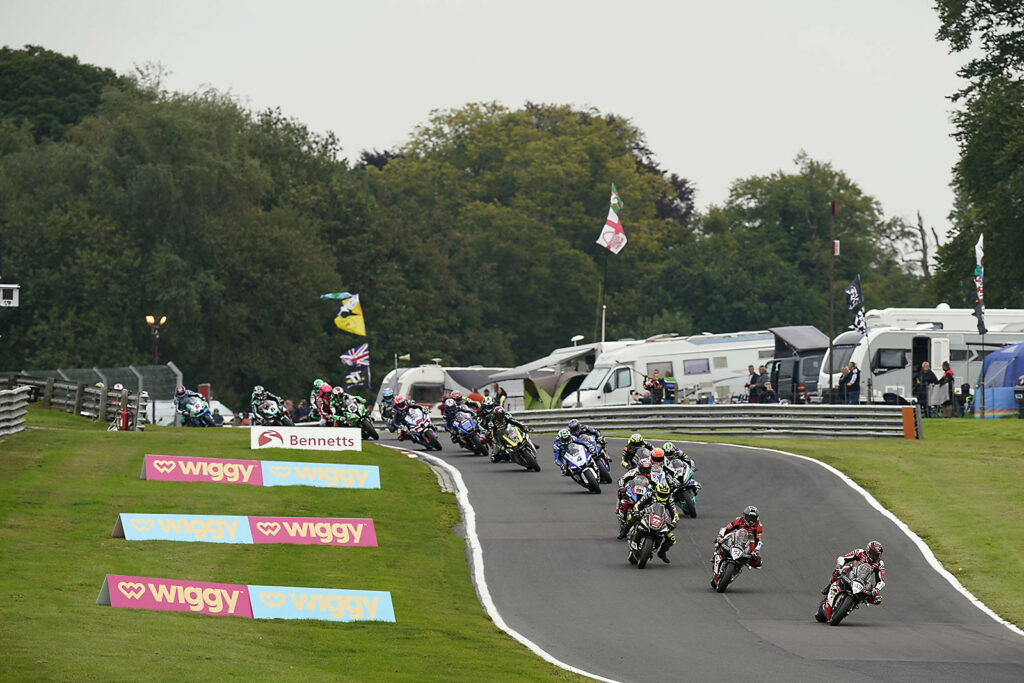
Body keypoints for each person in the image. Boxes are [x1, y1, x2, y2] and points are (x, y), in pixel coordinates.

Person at [626, 481, 679, 563]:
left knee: (672, 539)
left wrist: (674, 522)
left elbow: (674, 513)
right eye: (661, 494)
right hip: (647, 514)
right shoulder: (651, 494)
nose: (663, 496)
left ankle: (662, 553)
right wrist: (636, 511)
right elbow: (639, 504)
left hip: (661, 519)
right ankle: (625, 530)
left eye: (665, 495)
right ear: (656, 491)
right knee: (632, 516)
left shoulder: (669, 499)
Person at [714, 506, 764, 576]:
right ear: (744, 516)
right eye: (749, 518)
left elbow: (758, 539)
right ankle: (718, 554)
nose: (751, 521)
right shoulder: (739, 520)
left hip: (748, 542)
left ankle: (741, 564)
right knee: (721, 540)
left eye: (753, 518)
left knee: (758, 562)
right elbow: (727, 528)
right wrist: (720, 536)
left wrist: (756, 551)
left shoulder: (758, 525)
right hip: (736, 537)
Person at [615, 456, 653, 537]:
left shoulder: (652, 475)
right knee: (620, 492)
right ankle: (619, 508)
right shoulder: (633, 471)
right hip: (634, 489)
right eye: (644, 469)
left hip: (646, 492)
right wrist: (621, 486)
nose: (646, 471)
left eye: (647, 469)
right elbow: (622, 479)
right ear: (639, 468)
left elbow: (659, 483)